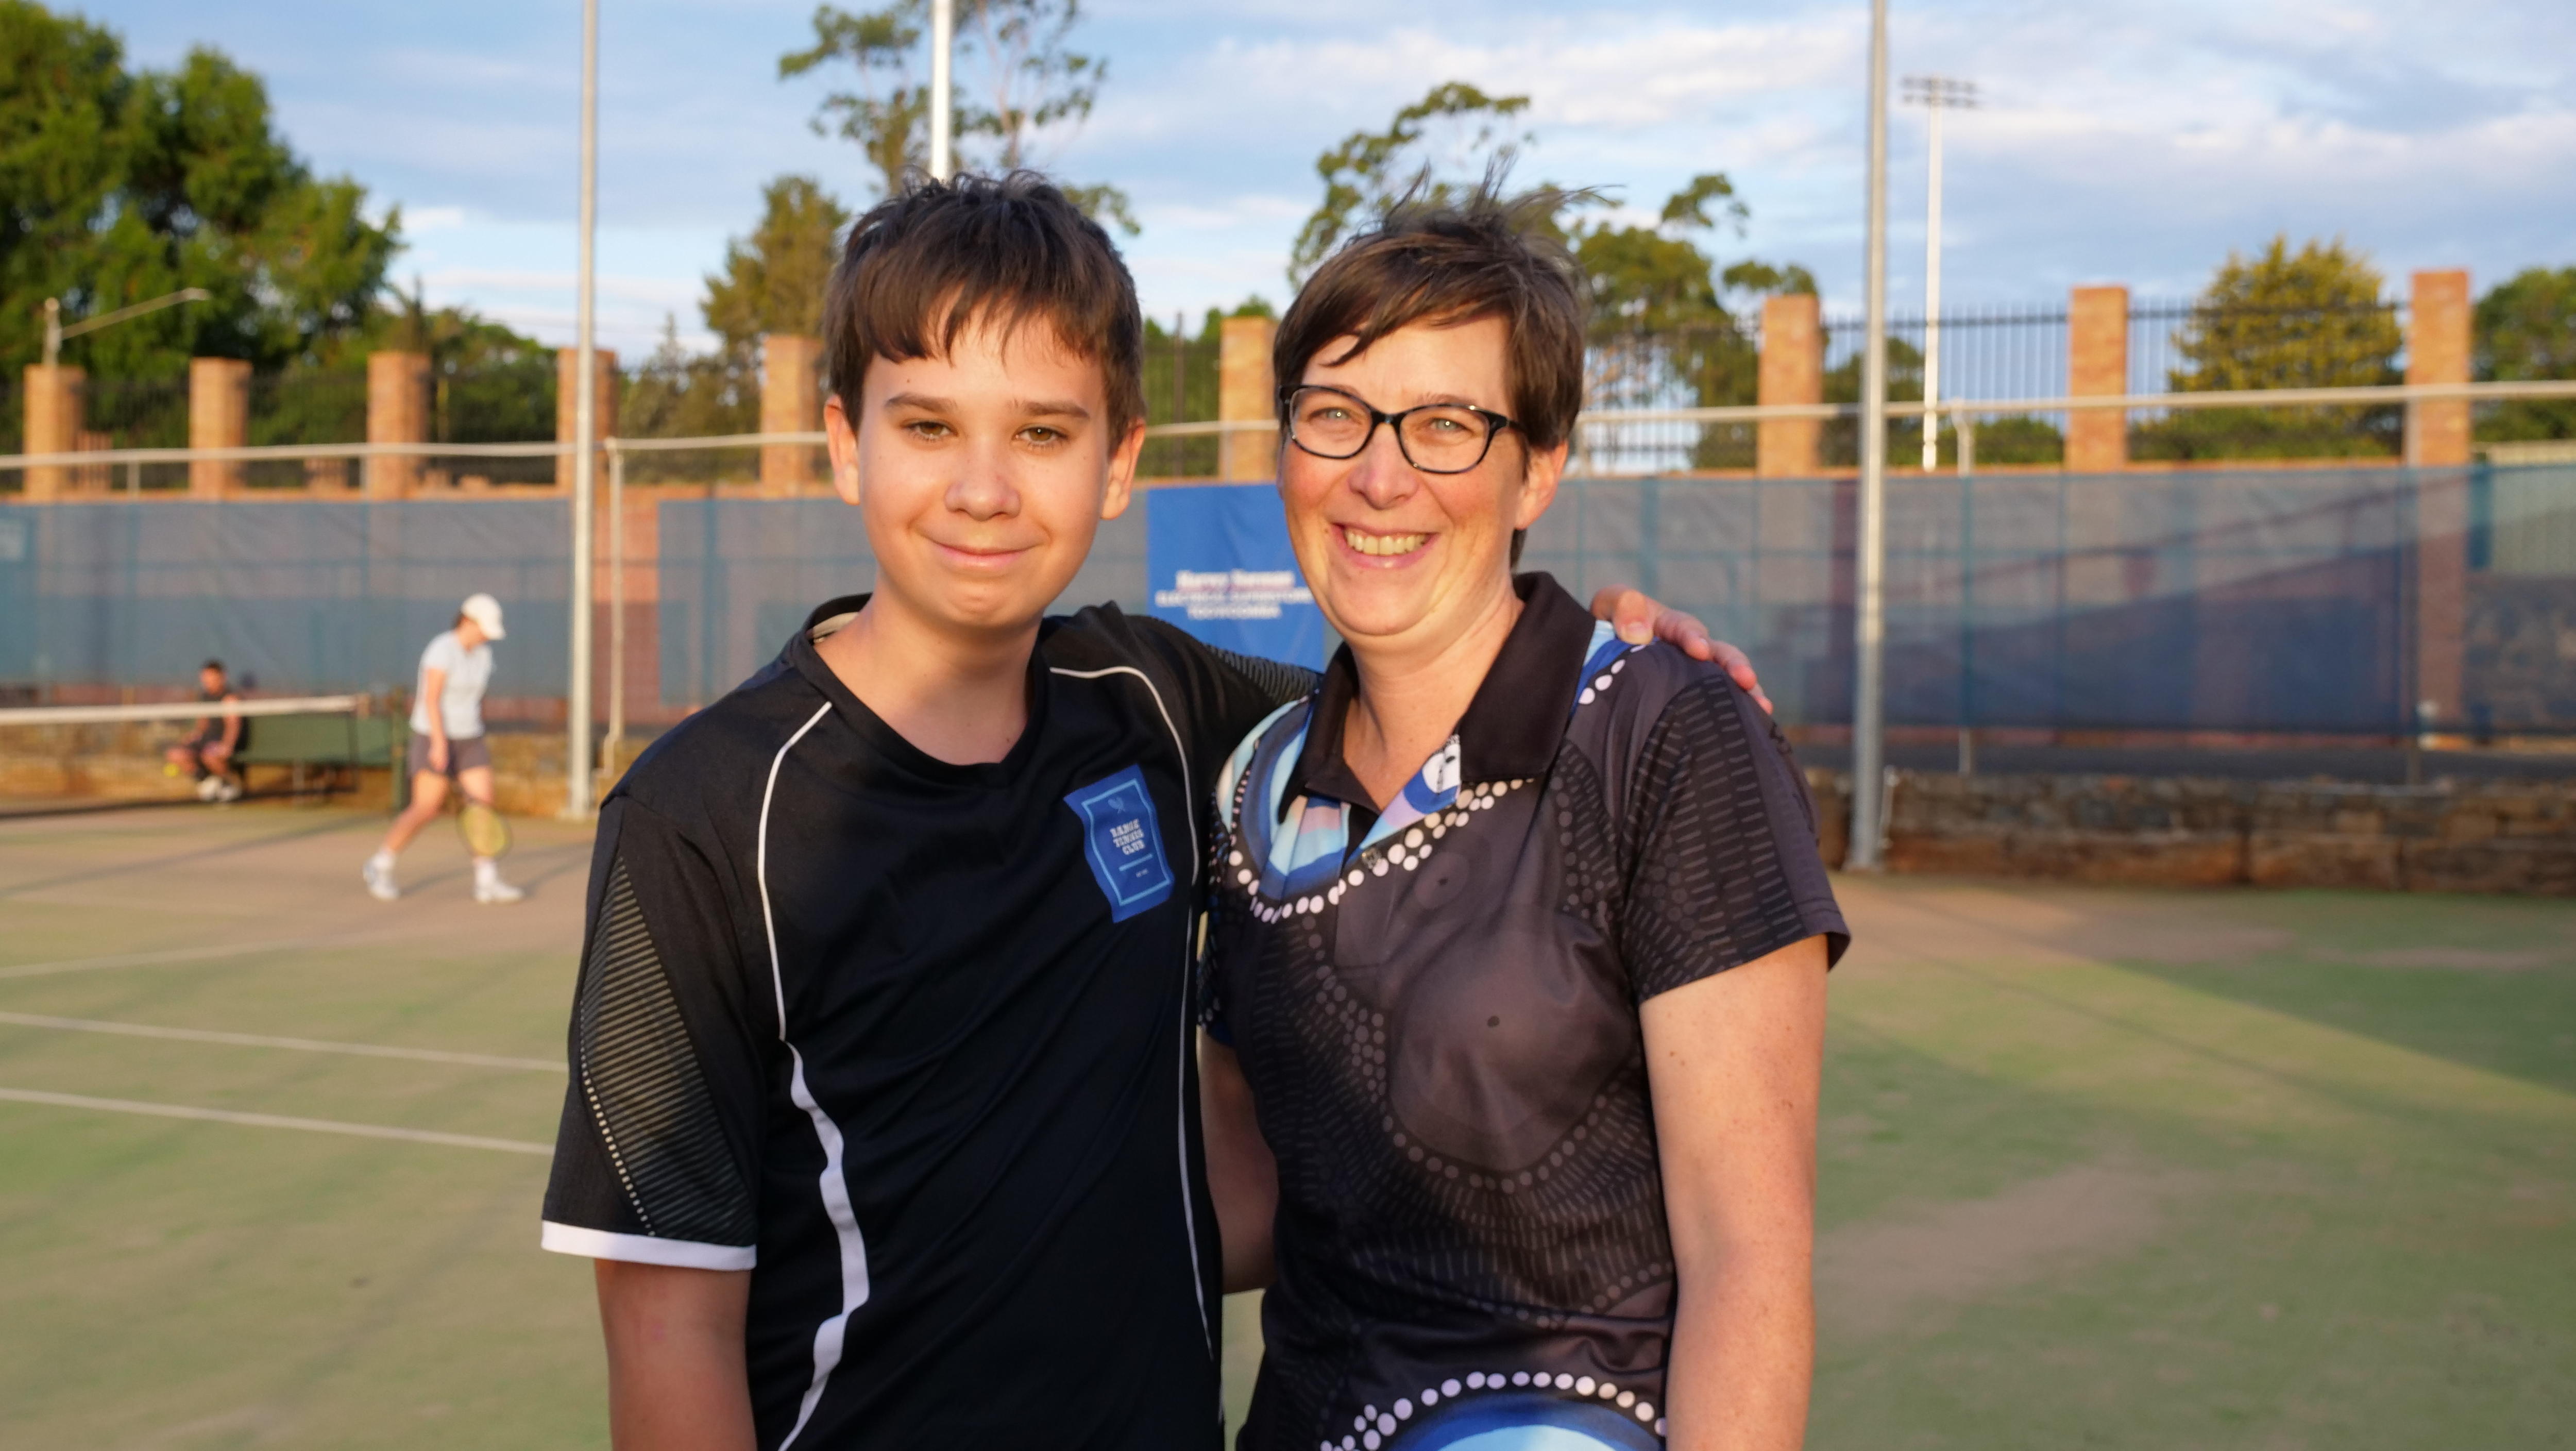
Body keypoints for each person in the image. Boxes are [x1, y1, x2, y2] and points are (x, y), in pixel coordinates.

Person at [533, 174, 1755, 1451]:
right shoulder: (702, 813)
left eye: (1045, 435)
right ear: (846, 442)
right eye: (930, 427)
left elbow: (1425, 685)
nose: (985, 489)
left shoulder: (1157, 705)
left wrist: (1602, 633)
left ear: (1119, 461)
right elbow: (667, 1325)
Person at [1197, 195, 1850, 1451]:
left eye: (1445, 426)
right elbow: (1256, 1197)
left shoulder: (1665, 733)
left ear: (1537, 466)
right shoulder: (1253, 786)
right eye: (1334, 415)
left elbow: (1748, 1265)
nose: (1377, 475)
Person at [364, 592, 522, 904]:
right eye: (483, 629)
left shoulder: (484, 655)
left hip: (470, 738)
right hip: (433, 736)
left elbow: (474, 700)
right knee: (427, 807)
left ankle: (486, 880)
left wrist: (471, 734)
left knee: (482, 806)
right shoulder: (441, 650)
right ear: (467, 621)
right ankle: (380, 865)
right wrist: (439, 743)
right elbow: (431, 699)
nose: (485, 636)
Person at [165, 659, 246, 802]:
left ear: (222, 677)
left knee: (210, 755)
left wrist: (227, 746)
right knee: (175, 754)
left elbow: (233, 725)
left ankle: (229, 784)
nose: (208, 682)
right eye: (205, 678)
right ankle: (207, 781)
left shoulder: (229, 698)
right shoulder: (204, 697)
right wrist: (194, 735)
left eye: (212, 678)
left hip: (220, 742)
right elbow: (202, 724)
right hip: (205, 741)